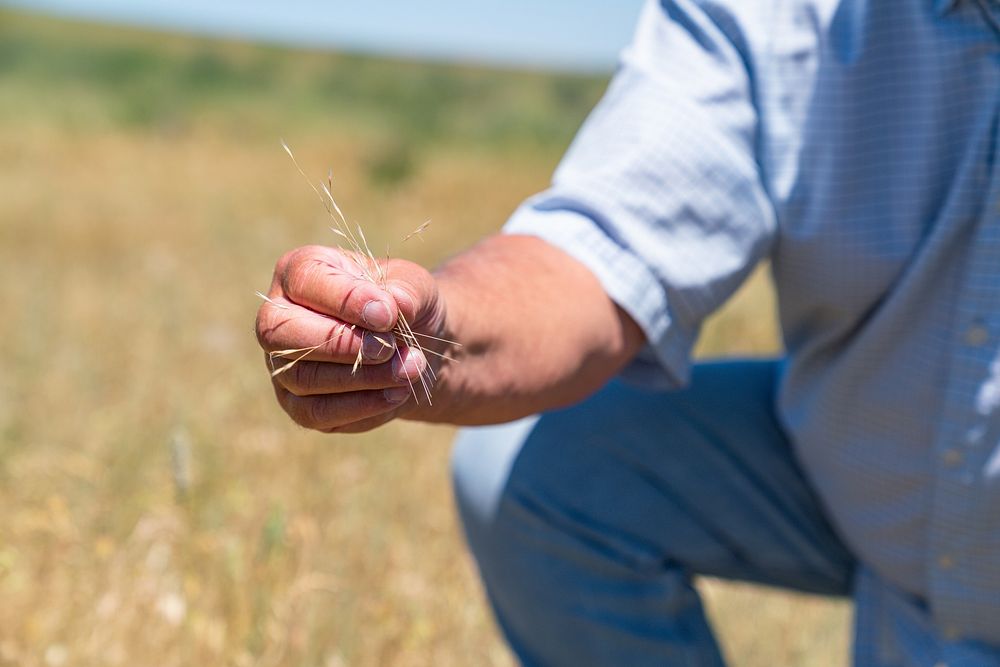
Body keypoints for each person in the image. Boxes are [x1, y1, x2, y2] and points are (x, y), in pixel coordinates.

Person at [255, 0, 1000, 664]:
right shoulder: (786, 14)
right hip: (877, 480)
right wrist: (430, 331)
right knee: (539, 468)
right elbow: (599, 255)